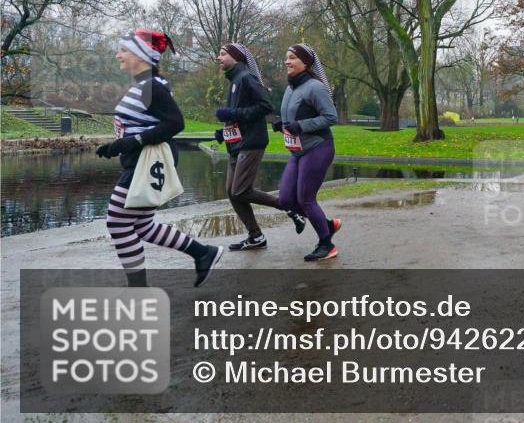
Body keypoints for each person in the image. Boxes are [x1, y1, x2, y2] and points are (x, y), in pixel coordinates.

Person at [97, 29, 222, 287]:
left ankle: (138, 290)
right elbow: (141, 124)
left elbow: (175, 123)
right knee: (142, 226)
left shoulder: (151, 86)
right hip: (139, 161)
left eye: (124, 50)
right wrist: (118, 145)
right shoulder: (145, 85)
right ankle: (202, 253)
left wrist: (132, 141)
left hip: (146, 162)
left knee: (118, 223)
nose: (118, 54)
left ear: (142, 55)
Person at [214, 43, 301, 251]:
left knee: (240, 190)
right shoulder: (234, 79)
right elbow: (238, 114)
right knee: (231, 191)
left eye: (223, 54)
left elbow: (265, 106)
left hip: (252, 142)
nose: (219, 58)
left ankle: (290, 207)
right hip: (236, 143)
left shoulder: (246, 78)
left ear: (236, 57)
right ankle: (256, 236)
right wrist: (224, 131)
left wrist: (232, 115)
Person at [274, 43, 343, 261]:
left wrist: (302, 126)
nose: (287, 61)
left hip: (318, 147)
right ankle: (328, 224)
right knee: (285, 198)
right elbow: (292, 117)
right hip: (297, 150)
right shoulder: (289, 88)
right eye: (286, 57)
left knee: (305, 198)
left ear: (305, 62)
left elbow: (331, 117)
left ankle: (327, 244)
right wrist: (282, 124)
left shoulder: (316, 87)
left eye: (292, 57)